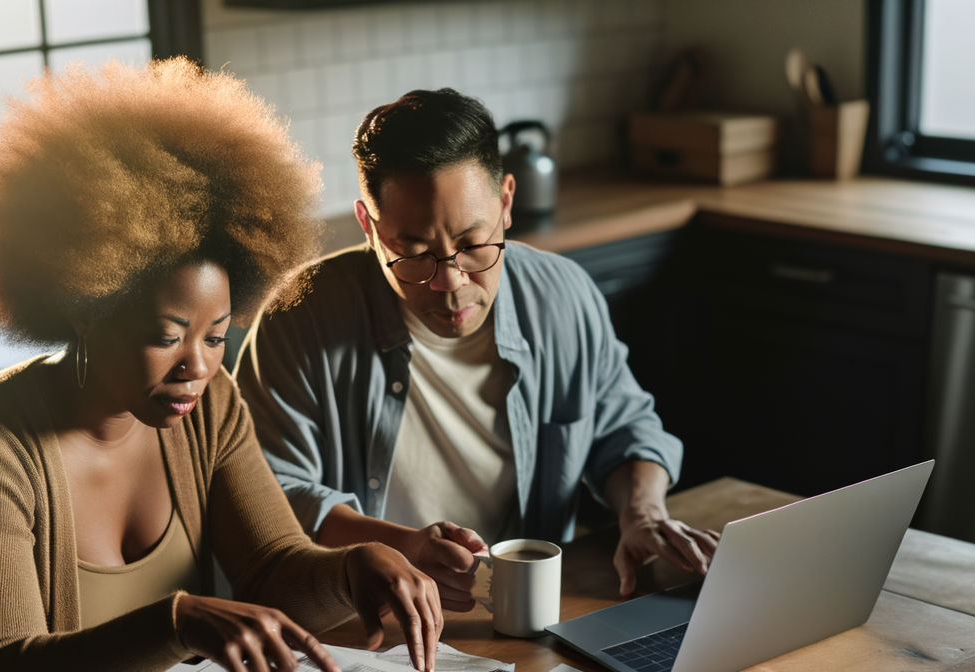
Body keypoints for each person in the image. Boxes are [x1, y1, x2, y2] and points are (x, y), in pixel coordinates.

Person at [0, 60, 443, 672]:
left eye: (216, 336)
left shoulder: (210, 404)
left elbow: (272, 571)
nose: (196, 367)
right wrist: (174, 624)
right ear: (85, 311)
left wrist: (352, 566)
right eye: (165, 336)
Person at [235, 89, 718, 615]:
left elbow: (624, 430)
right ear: (369, 228)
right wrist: (402, 548)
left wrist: (643, 512)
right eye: (414, 253)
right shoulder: (299, 316)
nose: (450, 282)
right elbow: (265, 496)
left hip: (525, 616)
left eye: (472, 243)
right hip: (361, 621)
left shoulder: (563, 296)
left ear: (506, 202)